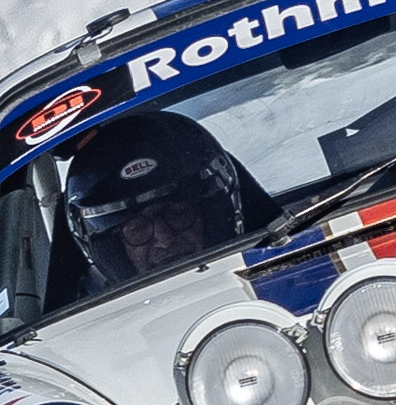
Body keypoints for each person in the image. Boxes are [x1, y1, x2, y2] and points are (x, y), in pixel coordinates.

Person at [60, 109, 272, 291]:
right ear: (116, 249)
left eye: (177, 213)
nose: (165, 239)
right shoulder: (92, 324)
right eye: (137, 228)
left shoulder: (281, 270)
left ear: (209, 214)